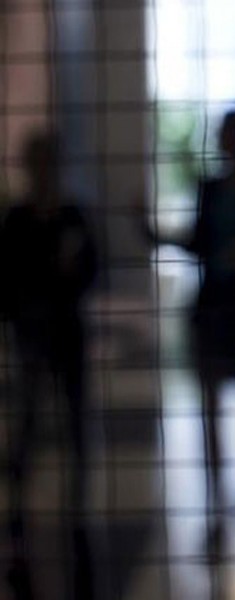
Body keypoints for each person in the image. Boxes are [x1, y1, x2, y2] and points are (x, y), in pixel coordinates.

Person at [139, 110, 235, 553]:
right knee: (213, 404)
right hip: (214, 310)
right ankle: (222, 490)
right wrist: (156, 235)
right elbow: (198, 241)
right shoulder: (212, 189)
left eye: (226, 134)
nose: (221, 140)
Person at [1, 130, 97, 599]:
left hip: (65, 334)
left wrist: (69, 274)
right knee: (30, 419)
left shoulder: (71, 214)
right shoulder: (18, 219)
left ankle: (77, 503)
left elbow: (92, 269)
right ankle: (19, 505)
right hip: (33, 335)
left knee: (73, 418)